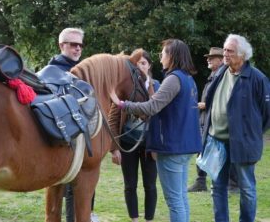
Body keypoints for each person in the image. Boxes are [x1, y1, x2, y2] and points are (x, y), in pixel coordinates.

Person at [111, 39, 202, 222]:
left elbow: (151, 107)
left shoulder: (173, 79)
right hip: (185, 146)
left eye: (163, 54)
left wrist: (120, 103)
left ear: (172, 56)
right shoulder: (189, 79)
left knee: (174, 200)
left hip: (172, 148)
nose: (161, 58)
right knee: (181, 197)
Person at [202, 34, 270, 222]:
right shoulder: (220, 72)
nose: (225, 54)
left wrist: (250, 134)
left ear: (242, 55)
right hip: (217, 141)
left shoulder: (257, 78)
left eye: (230, 51)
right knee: (217, 187)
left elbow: (267, 114)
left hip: (243, 143)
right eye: (224, 49)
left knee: (247, 188)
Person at [48, 27, 99, 222]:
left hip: (84, 142)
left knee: (84, 190)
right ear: (62, 45)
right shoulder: (53, 71)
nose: (77, 49)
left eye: (80, 45)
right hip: (65, 142)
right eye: (73, 44)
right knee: (71, 191)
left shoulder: (83, 71)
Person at [110, 49, 159, 222]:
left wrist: (149, 84)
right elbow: (113, 119)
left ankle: (149, 219)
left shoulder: (158, 86)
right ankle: (134, 219)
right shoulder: (125, 89)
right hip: (128, 143)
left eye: (144, 63)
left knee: (150, 185)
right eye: (137, 64)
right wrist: (114, 148)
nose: (140, 67)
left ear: (150, 65)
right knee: (130, 184)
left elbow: (156, 110)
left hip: (149, 145)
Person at [188, 47, 224, 192]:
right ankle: (201, 182)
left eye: (212, 57)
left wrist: (205, 105)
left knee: (217, 153)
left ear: (220, 60)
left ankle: (224, 183)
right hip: (205, 120)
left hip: (214, 123)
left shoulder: (222, 77)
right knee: (201, 151)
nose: (208, 59)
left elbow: (224, 99)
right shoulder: (213, 75)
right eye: (208, 57)